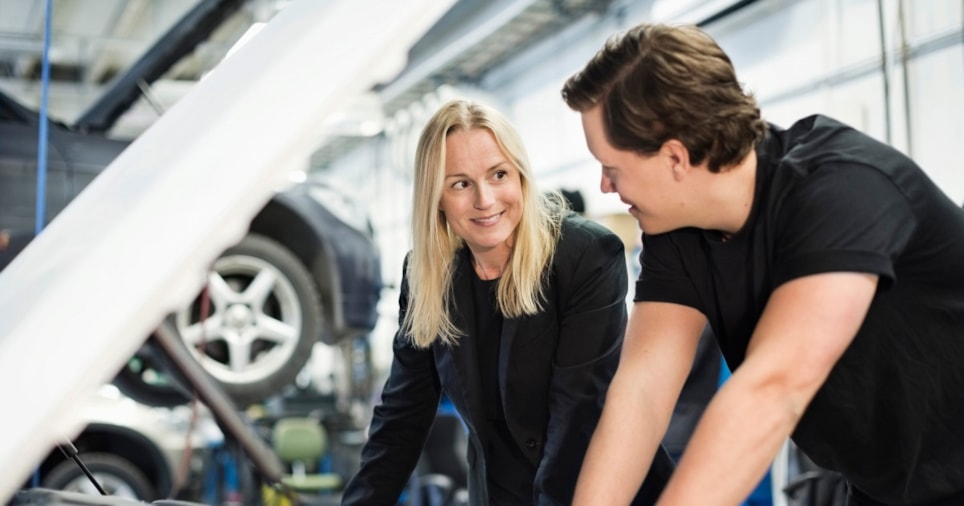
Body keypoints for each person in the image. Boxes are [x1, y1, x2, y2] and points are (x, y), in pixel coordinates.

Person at [560, 22, 964, 506]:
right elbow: (641, 394)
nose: (605, 186)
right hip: (887, 486)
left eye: (612, 167)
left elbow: (774, 388)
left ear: (674, 158)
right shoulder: (677, 234)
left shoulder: (841, 190)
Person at [340, 99, 674, 505]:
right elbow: (402, 417)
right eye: (460, 183)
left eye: (498, 174)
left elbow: (577, 418)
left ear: (520, 176)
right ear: (436, 198)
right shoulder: (429, 275)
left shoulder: (584, 256)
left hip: (599, 491)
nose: (485, 199)